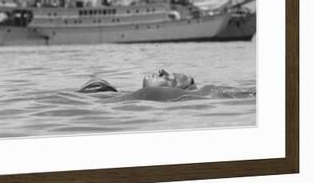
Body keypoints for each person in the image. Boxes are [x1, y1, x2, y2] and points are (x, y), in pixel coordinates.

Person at [78, 69, 255, 101]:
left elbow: (213, 93)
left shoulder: (153, 94)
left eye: (169, 77)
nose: (162, 70)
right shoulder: (141, 95)